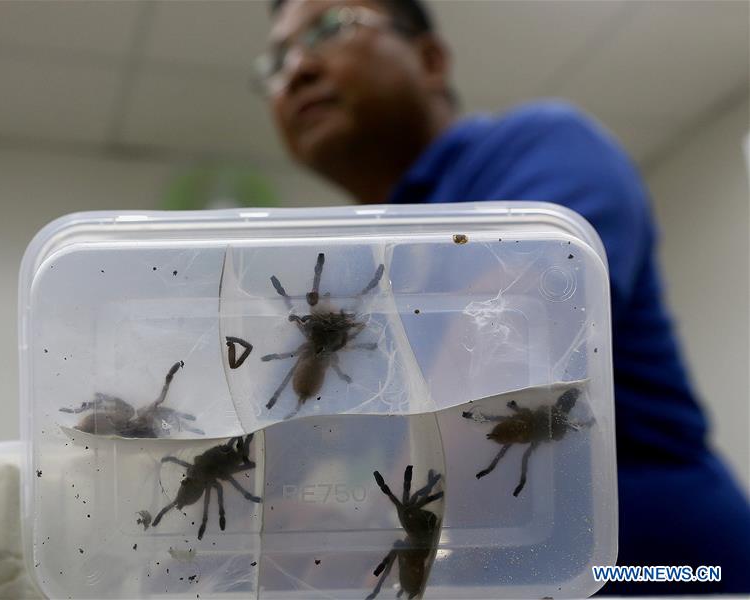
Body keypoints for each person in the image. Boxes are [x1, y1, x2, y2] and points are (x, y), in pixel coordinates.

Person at [256, 0, 750, 594]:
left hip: (665, 572)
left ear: (431, 58)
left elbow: (499, 353)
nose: (297, 69)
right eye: (277, 60)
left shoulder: (541, 148)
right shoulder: (371, 264)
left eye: (331, 27)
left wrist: (355, 541)